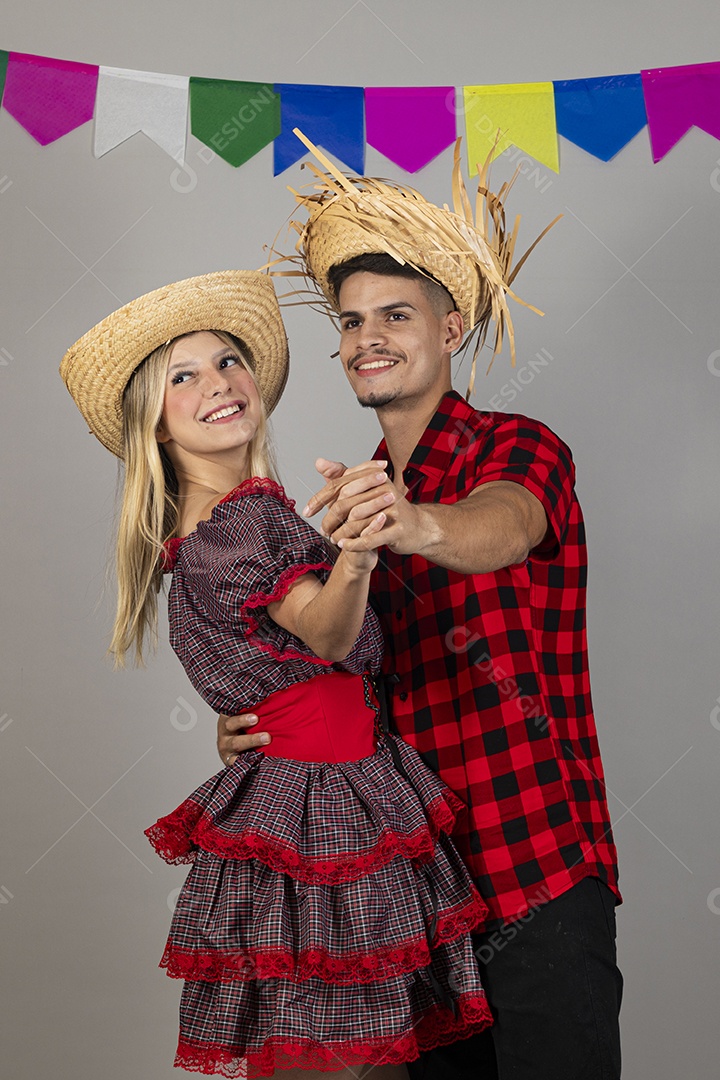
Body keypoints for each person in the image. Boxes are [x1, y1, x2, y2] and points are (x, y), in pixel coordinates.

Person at [218, 140, 623, 1079]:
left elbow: (503, 527)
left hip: (535, 880)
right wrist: (256, 732)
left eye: (395, 314)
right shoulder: (345, 516)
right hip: (408, 907)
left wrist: (419, 523)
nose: (368, 337)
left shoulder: (518, 447)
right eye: (353, 321)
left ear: (450, 329)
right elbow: (331, 688)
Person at [59, 270, 495, 1080]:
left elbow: (278, 670)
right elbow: (329, 639)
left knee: (324, 1050)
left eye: (227, 360)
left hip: (322, 781)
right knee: (347, 1052)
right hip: (328, 800)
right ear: (153, 423)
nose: (217, 383)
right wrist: (358, 553)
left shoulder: (219, 524)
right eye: (180, 377)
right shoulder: (246, 521)